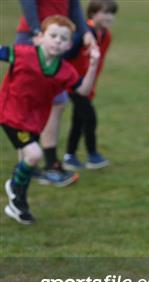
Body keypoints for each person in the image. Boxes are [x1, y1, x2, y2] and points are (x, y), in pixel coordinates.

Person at [1, 15, 100, 224]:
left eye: (63, 38)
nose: (57, 41)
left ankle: (18, 202)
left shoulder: (65, 71)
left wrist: (93, 65)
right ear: (39, 38)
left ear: (69, 45)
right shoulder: (22, 53)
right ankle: (15, 190)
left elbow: (83, 90)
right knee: (34, 154)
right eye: (53, 35)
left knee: (27, 160)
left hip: (35, 121)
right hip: (11, 113)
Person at [16, 0, 96, 186]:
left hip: (56, 38)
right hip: (38, 37)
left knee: (57, 100)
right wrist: (37, 32)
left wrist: (85, 32)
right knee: (29, 101)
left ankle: (48, 162)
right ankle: (32, 164)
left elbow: (74, 5)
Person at [62, 0, 118, 171]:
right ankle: (92, 155)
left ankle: (69, 156)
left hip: (87, 85)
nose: (109, 16)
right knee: (89, 117)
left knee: (78, 120)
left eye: (112, 13)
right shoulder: (82, 33)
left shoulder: (106, 35)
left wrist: (91, 86)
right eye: (105, 12)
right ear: (93, 13)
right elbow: (65, 56)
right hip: (73, 83)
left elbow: (97, 64)